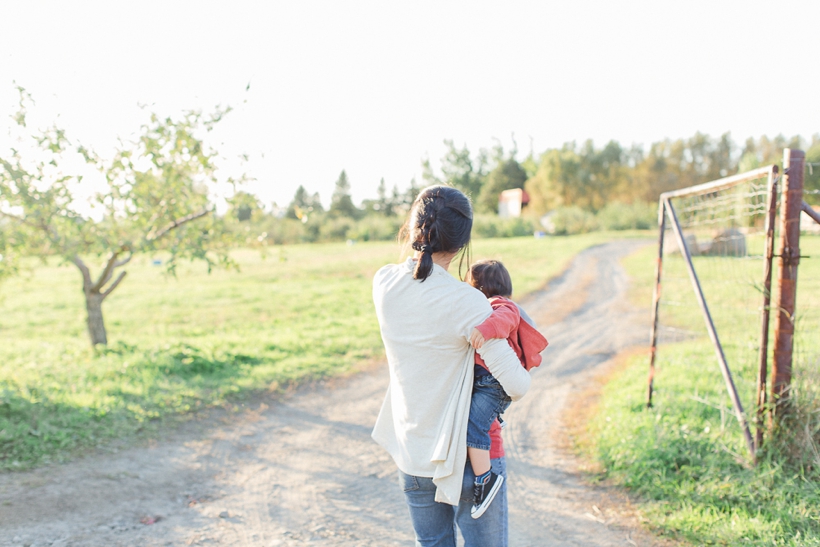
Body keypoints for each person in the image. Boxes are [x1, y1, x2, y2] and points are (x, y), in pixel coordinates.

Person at [371, 185, 531, 546]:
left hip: (412, 455)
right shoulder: (469, 302)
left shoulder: (383, 283)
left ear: (413, 228)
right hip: (466, 460)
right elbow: (517, 385)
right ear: (462, 243)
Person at [464, 259, 549, 518]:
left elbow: (506, 318)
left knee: (474, 426)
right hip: (489, 382)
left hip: (494, 384)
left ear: (480, 290)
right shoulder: (494, 304)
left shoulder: (501, 305)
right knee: (476, 420)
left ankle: (484, 479)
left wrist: (485, 329)